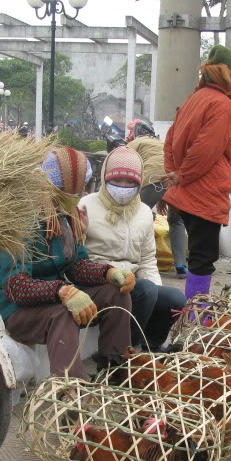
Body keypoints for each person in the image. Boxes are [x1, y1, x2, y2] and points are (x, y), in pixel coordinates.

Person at [0, 147, 134, 378]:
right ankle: (72, 393)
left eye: (78, 191)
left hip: (51, 299)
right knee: (63, 313)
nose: (75, 197)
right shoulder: (21, 221)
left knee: (116, 293)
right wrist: (62, 291)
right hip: (14, 310)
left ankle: (115, 369)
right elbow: (15, 286)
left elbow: (75, 266)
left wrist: (108, 273)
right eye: (67, 192)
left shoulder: (65, 216)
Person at [79, 146, 187, 351]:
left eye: (130, 182)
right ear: (105, 178)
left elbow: (147, 259)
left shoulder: (144, 212)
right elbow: (77, 257)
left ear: (139, 183)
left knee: (175, 299)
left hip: (132, 281)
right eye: (117, 180)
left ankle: (150, 345)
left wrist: (156, 290)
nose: (123, 186)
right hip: (99, 281)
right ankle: (126, 350)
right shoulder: (86, 205)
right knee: (144, 291)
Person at [163, 44, 231, 299]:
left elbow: (170, 141)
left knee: (199, 255)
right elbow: (205, 151)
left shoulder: (194, 99)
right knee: (203, 257)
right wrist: (182, 176)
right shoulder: (222, 105)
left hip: (188, 190)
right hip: (203, 192)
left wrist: (176, 175)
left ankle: (195, 312)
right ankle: (196, 316)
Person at [126, 119, 188, 279]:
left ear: (137, 133)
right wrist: (164, 198)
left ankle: (132, 261)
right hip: (173, 181)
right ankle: (180, 265)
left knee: (134, 216)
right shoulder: (161, 143)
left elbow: (123, 163)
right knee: (176, 221)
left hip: (151, 180)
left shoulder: (137, 143)